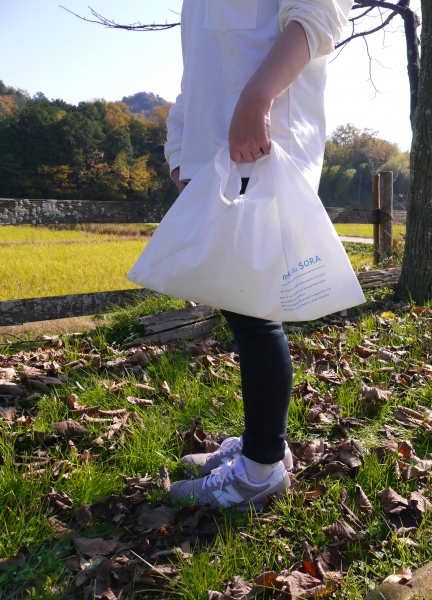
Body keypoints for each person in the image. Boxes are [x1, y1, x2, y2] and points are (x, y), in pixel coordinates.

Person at [166, 0, 353, 510]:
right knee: (243, 305)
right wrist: (179, 151)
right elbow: (197, 69)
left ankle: (261, 468)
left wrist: (258, 98)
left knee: (252, 312)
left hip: (261, 145)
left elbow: (319, 12)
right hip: (215, 153)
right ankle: (263, 447)